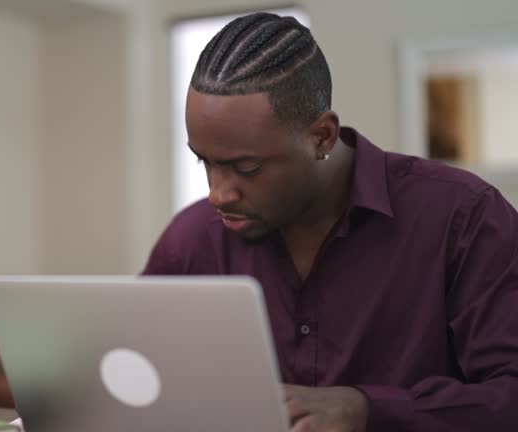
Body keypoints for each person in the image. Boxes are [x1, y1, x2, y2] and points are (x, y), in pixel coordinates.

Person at [142, 12, 518, 432]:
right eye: (204, 161)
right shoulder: (192, 240)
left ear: (321, 136)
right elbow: (135, 377)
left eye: (245, 167)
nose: (218, 193)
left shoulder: (463, 218)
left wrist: (367, 410)